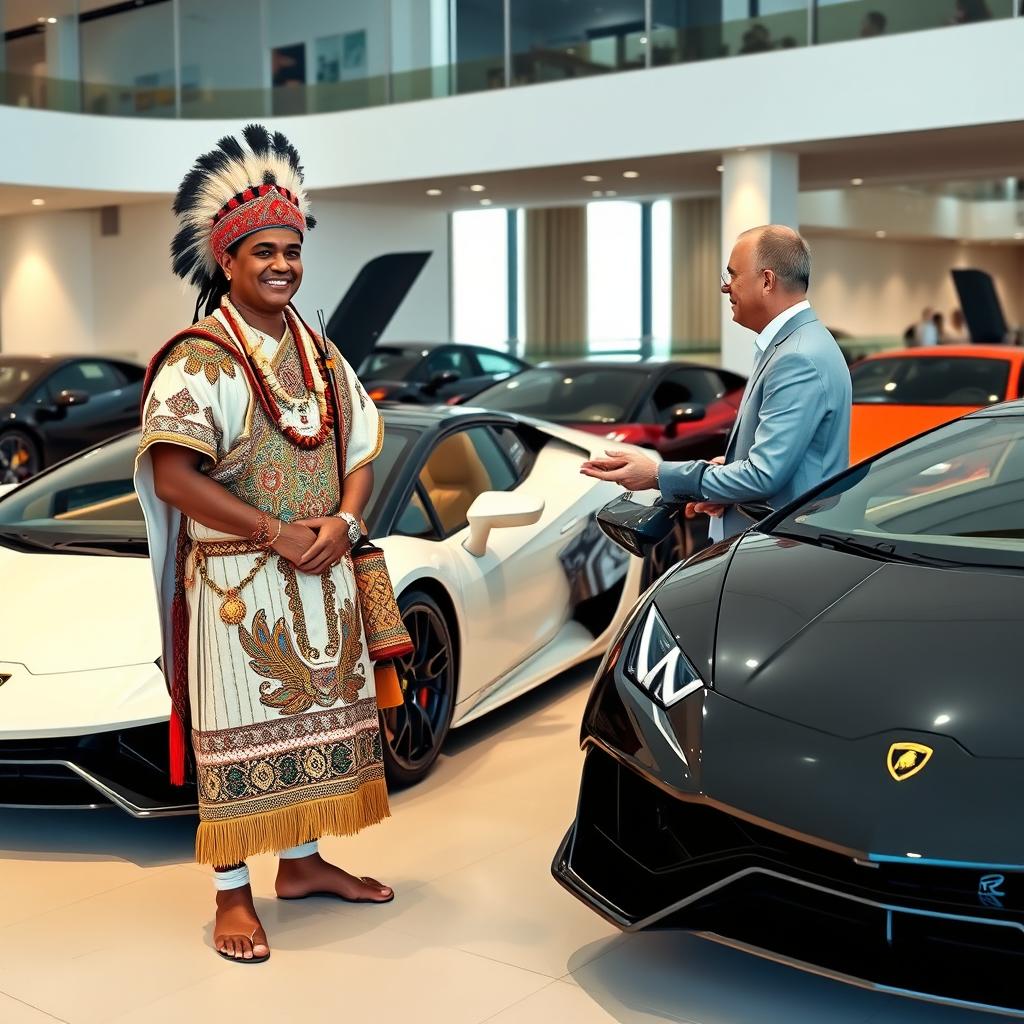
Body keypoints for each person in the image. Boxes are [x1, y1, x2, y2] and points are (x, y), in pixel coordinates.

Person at [134, 125, 394, 965]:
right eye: (263, 253)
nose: (283, 264)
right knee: (236, 736)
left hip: (325, 573)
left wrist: (345, 525)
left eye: (292, 249)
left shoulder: (320, 353)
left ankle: (306, 864)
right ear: (229, 261)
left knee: (320, 727)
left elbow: (359, 449)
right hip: (236, 584)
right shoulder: (199, 358)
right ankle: (232, 895)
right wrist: (277, 532)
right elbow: (173, 475)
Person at [580, 225, 851, 543]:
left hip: (781, 547)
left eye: (733, 275)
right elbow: (785, 460)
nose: (726, 288)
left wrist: (656, 474)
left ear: (766, 281)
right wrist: (727, 471)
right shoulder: (797, 343)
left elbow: (764, 475)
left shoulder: (797, 356)